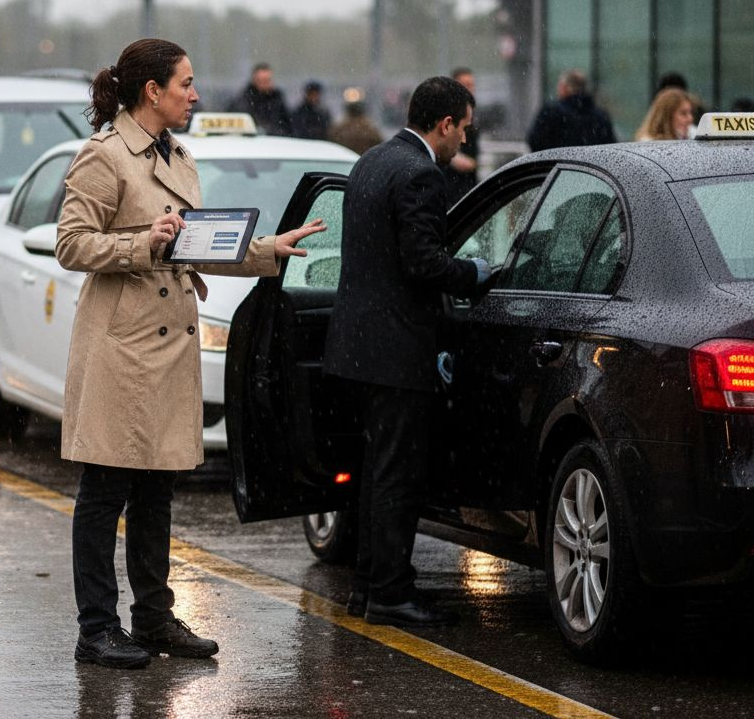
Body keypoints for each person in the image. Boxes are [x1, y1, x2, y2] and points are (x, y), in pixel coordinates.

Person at [57, 38, 325, 669]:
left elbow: (195, 245)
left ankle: (152, 618)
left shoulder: (178, 156)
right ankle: (96, 627)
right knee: (105, 489)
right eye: (186, 84)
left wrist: (267, 250)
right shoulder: (104, 157)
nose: (195, 95)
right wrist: (140, 243)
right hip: (121, 347)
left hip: (167, 340)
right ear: (153, 91)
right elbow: (70, 244)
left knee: (155, 490)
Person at [322, 76, 490, 628]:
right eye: (462, 129)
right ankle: (390, 592)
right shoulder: (421, 174)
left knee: (375, 471)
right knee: (398, 476)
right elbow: (424, 264)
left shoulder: (371, 161)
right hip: (397, 351)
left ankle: (369, 586)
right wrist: (477, 273)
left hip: (357, 346)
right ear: (444, 125)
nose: (463, 141)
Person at [527, 69, 616, 151]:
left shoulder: (551, 111)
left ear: (564, 87)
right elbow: (609, 146)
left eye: (560, 85)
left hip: (559, 164)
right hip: (591, 167)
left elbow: (535, 141)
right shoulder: (601, 115)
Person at [443, 68, 481, 203]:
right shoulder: (448, 116)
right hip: (451, 190)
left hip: (467, 189)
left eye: (472, 85)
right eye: (466, 85)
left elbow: (472, 160)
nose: (470, 89)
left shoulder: (473, 120)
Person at [227, 62, 292, 136]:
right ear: (254, 80)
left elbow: (287, 124)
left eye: (268, 80)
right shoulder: (243, 101)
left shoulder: (277, 99)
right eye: (262, 80)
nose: (265, 84)